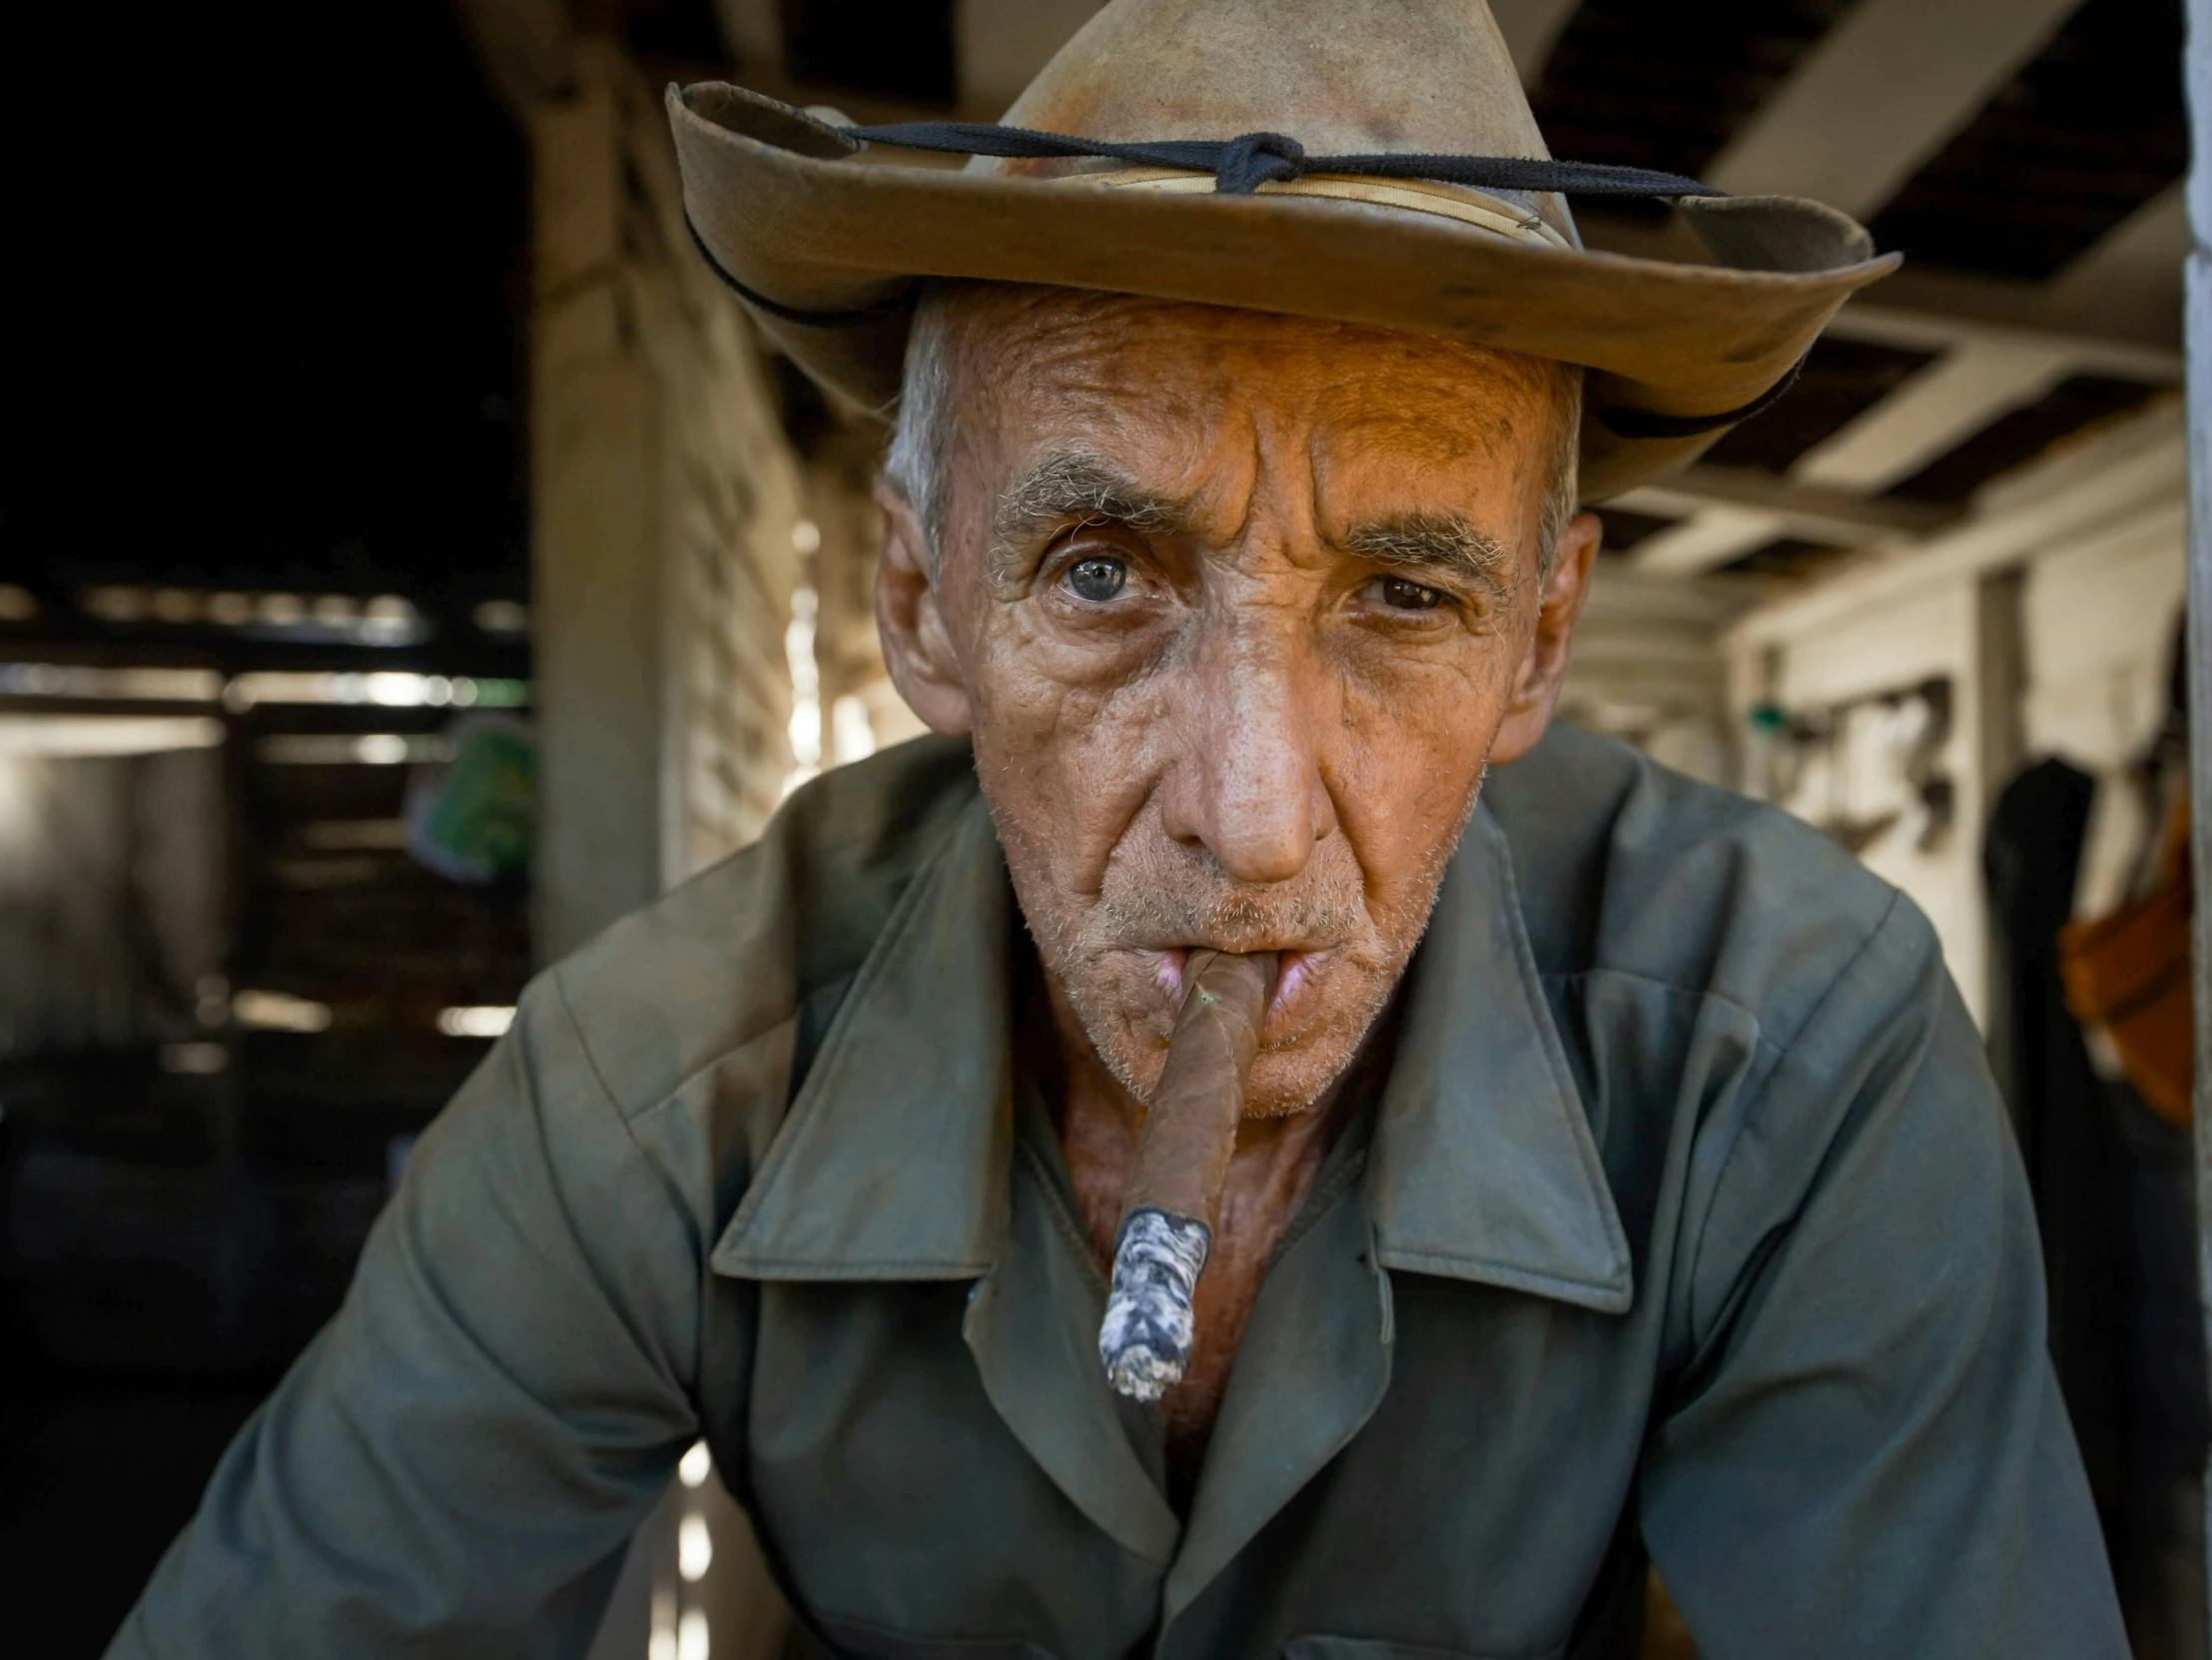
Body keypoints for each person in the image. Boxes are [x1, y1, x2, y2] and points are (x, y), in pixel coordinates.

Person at [109, 1, 2127, 1654]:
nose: (1250, 825)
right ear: (922, 606)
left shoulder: (1796, 1051)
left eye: (1406, 598)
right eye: (1100, 573)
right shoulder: (645, 1091)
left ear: (1541, 641)